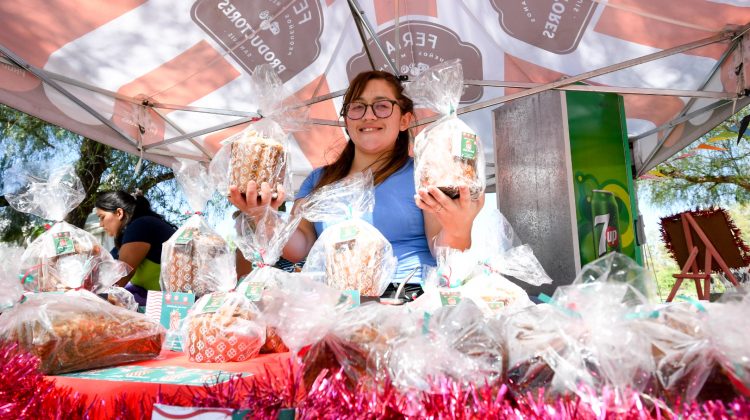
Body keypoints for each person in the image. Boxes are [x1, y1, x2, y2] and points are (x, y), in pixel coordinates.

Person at [229, 70, 484, 299]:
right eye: (357, 107)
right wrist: (262, 216)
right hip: (335, 301)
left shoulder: (423, 175)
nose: (369, 116)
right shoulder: (318, 181)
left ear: (405, 120)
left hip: (405, 297)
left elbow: (442, 250)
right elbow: (299, 248)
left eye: (382, 106)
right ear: (346, 121)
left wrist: (459, 229)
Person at [95, 191, 177, 305]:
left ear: (119, 213)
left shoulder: (141, 226)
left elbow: (120, 277)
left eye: (102, 217)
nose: (100, 224)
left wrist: (91, 299)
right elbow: (104, 268)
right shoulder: (130, 235)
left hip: (170, 307)